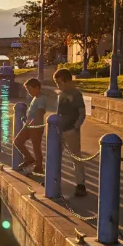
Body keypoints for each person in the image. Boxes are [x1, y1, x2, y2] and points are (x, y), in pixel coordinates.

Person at [53, 68, 87, 197]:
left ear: (67, 81)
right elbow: (58, 112)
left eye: (59, 82)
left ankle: (81, 184)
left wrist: (76, 127)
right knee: (55, 156)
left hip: (71, 130)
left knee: (76, 158)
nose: (58, 85)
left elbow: (82, 113)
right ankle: (53, 180)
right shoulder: (60, 95)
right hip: (59, 130)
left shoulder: (76, 94)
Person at [13, 77, 47, 175]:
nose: (28, 92)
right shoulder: (35, 98)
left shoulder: (41, 98)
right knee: (18, 141)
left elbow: (41, 111)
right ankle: (29, 158)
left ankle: (39, 167)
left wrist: (33, 121)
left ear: (37, 87)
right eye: (27, 90)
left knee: (36, 147)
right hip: (29, 125)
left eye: (29, 90)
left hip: (36, 126)